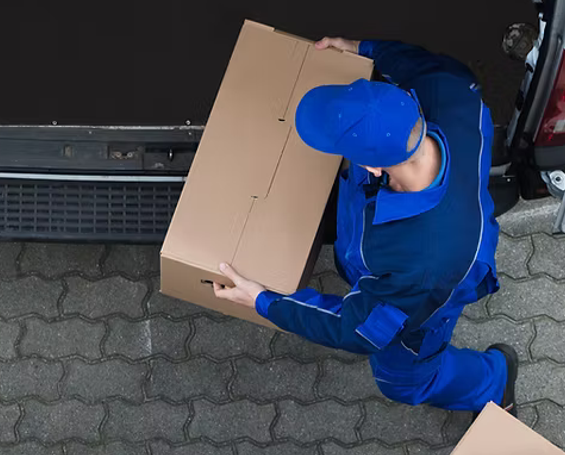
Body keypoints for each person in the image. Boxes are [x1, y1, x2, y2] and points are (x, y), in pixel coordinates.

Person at [210, 37, 515, 413]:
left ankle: (494, 379)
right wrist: (363, 47)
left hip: (434, 290)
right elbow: (417, 62)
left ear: (371, 168)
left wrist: (263, 301)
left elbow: (355, 328)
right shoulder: (446, 88)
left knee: (405, 381)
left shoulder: (423, 265)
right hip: (437, 232)